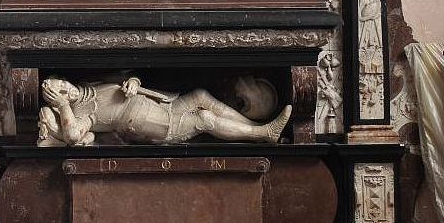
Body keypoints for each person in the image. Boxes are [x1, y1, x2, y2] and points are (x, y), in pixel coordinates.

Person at [38, 75, 292, 146]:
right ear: (59, 102)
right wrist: (62, 107)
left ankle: (259, 128)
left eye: (63, 84)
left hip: (162, 104)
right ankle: (262, 133)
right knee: (204, 118)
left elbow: (126, 76)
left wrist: (133, 81)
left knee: (200, 96)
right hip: (155, 125)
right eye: (61, 94)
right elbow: (72, 135)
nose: (67, 90)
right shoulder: (82, 114)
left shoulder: (90, 84)